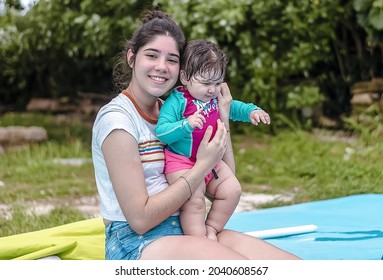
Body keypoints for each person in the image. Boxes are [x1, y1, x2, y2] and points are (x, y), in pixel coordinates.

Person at [91, 9, 300, 260]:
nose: (161, 66)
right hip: (139, 243)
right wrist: (201, 166)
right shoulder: (118, 121)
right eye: (152, 55)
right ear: (132, 57)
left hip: (190, 229)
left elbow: (223, 179)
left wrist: (223, 116)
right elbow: (140, 219)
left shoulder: (176, 108)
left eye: (172, 59)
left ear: (182, 69)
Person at [155, 39, 271, 241]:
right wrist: (186, 124)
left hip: (212, 161)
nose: (212, 89)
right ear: (185, 77)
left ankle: (212, 228)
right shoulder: (177, 101)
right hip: (182, 161)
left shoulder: (215, 99)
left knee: (232, 190)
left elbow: (235, 107)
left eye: (218, 83)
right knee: (195, 201)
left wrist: (252, 111)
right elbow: (162, 131)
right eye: (206, 83)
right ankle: (197, 240)